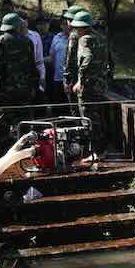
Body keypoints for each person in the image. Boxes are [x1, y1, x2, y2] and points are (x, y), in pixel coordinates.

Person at [0, 12, 39, 157]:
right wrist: (34, 87)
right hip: (24, 89)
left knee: (1, 120)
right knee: (24, 120)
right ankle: (25, 151)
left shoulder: (0, 41)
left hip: (5, 90)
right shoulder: (27, 41)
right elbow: (32, 66)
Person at [68, 10, 110, 158]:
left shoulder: (85, 39)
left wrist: (80, 80)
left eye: (77, 28)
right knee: (99, 116)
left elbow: (87, 59)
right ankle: (101, 150)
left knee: (89, 118)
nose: (75, 30)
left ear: (82, 27)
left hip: (89, 85)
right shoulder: (100, 37)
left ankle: (96, 152)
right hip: (100, 84)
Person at [48, 12, 71, 113]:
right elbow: (51, 57)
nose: (66, 26)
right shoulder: (56, 37)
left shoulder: (77, 38)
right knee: (58, 108)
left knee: (71, 108)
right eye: (64, 24)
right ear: (61, 25)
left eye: (67, 23)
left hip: (71, 80)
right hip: (57, 78)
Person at [28, 15, 49, 110]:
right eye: (40, 24)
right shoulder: (33, 35)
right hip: (31, 73)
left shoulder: (54, 37)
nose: (42, 26)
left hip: (47, 71)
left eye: (44, 23)